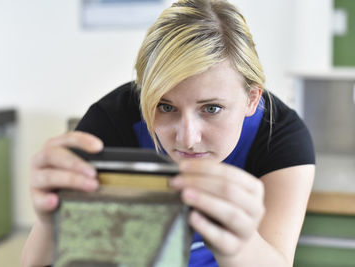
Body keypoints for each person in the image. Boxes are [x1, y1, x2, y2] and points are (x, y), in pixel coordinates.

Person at [22, 0, 315, 266]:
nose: (187, 139)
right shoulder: (111, 122)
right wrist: (52, 222)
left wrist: (238, 247)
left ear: (251, 99)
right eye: (165, 106)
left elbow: (278, 260)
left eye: (211, 109)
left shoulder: (282, 137)